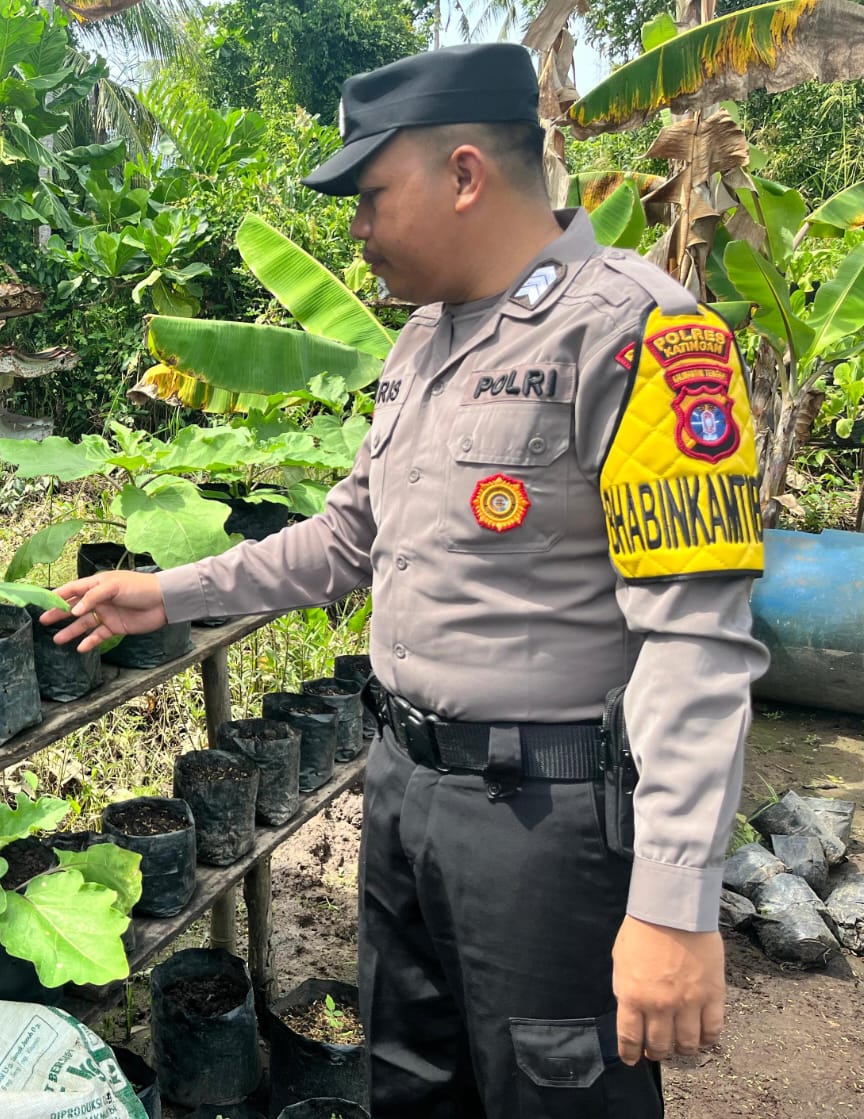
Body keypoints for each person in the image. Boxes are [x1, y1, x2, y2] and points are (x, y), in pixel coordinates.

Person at [42, 42, 769, 1119]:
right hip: (401, 792)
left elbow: (696, 641)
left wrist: (672, 903)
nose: (355, 229)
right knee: (412, 1087)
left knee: (553, 1098)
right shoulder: (421, 343)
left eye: (369, 195)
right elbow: (349, 538)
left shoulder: (638, 334)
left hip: (546, 825)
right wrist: (169, 591)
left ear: (464, 174)